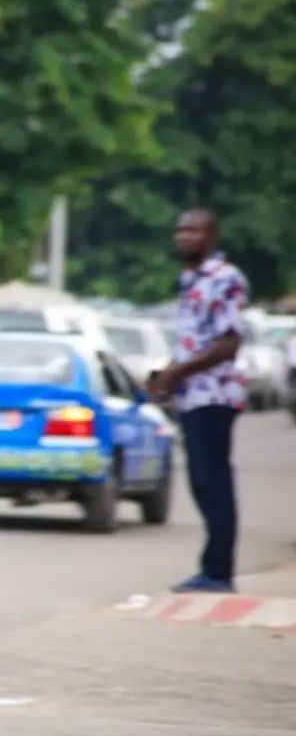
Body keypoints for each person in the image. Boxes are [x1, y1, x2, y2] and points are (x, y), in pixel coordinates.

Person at [148, 208, 247, 593]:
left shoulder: (225, 279)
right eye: (180, 230)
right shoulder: (190, 280)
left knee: (214, 481)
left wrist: (178, 373)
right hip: (192, 396)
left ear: (212, 235)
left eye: (194, 230)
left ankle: (219, 571)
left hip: (215, 394)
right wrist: (165, 374)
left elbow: (227, 342)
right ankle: (211, 567)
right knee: (200, 483)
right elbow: (193, 342)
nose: (184, 236)